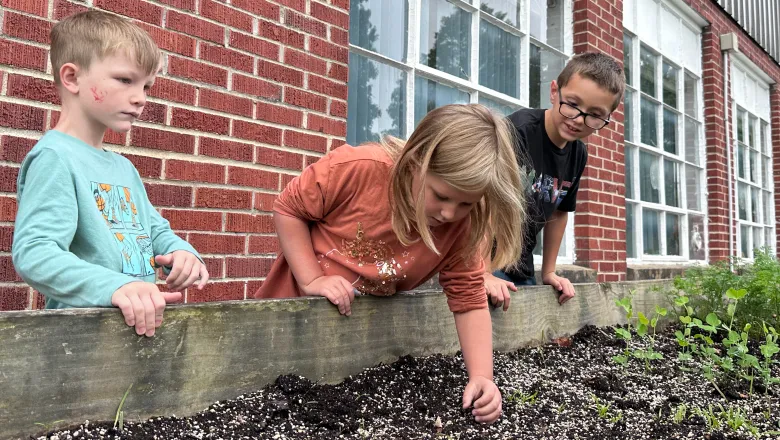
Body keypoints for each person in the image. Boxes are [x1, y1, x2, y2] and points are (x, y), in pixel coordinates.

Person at [254, 104, 527, 423]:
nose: (449, 213)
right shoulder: (358, 169)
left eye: (465, 203)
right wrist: (312, 279)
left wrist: (482, 377)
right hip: (284, 324)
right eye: (440, 195)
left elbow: (469, 298)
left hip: (355, 350)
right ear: (415, 161)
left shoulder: (461, 227)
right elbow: (289, 208)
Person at [12, 10, 208, 337]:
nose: (140, 98)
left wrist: (182, 252)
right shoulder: (55, 157)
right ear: (72, 78)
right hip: (79, 342)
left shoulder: (123, 168)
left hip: (134, 338)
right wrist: (115, 287)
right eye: (125, 80)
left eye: (146, 86)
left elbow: (154, 231)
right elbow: (35, 253)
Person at [485, 52, 626, 311]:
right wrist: (481, 271)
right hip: (480, 260)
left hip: (520, 266)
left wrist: (549, 271)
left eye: (595, 115)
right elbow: (484, 200)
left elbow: (559, 213)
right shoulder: (518, 131)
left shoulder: (578, 154)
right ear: (554, 91)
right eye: (572, 104)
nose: (578, 119)